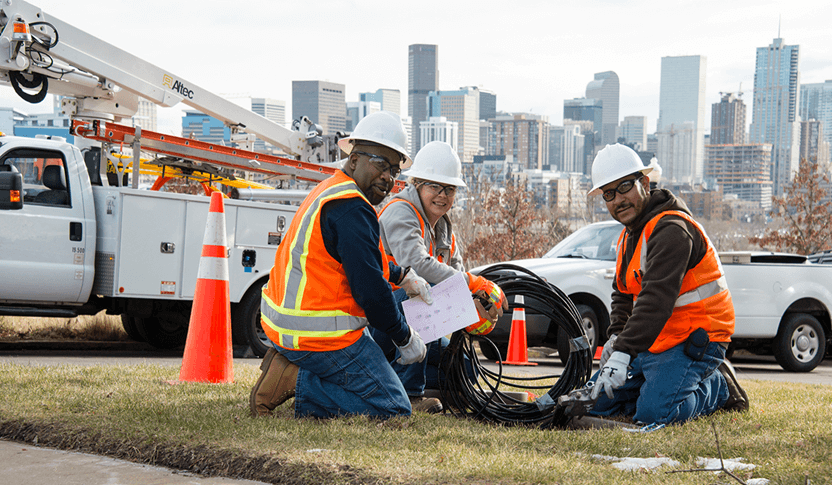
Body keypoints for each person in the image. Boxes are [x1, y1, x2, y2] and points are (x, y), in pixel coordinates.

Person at [249, 111, 435, 419]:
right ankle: (295, 379)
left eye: (393, 170)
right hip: (320, 338)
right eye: (380, 164)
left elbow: (359, 260)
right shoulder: (352, 209)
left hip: (283, 328)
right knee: (394, 408)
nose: (388, 177)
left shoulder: (331, 192)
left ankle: (290, 368)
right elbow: (372, 294)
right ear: (354, 160)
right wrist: (405, 338)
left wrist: (402, 276)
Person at [586, 143, 749, 427]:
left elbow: (655, 299)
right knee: (597, 402)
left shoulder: (673, 229)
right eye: (608, 194)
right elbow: (623, 295)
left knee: (655, 414)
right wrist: (615, 339)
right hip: (657, 339)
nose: (617, 200)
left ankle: (719, 387)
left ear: (645, 183)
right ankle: (653, 385)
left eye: (624, 187)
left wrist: (625, 351)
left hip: (697, 339)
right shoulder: (629, 236)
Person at [371, 141, 508, 410]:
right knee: (423, 291)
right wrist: (472, 282)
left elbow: (453, 275)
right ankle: (410, 394)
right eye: (434, 186)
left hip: (412, 324)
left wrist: (473, 304)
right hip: (379, 318)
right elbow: (417, 266)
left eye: (449, 189)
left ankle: (389, 378)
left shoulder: (443, 227)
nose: (442, 195)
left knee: (466, 370)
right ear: (417, 184)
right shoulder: (401, 211)